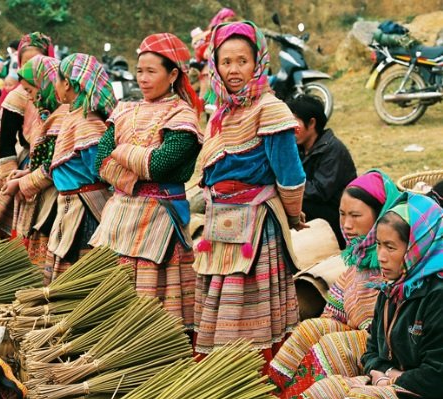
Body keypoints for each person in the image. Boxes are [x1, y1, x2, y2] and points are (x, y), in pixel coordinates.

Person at [193, 22, 306, 366]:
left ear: (258, 62)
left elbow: (291, 176)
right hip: (221, 221)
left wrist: (291, 215)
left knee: (248, 302)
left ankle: (250, 371)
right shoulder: (224, 112)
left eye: (242, 61)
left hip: (257, 225)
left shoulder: (270, 110)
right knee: (221, 298)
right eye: (225, 62)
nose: (233, 70)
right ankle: (220, 370)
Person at [302, 192, 443, 399]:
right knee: (325, 390)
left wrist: (388, 379)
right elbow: (371, 350)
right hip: (392, 384)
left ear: (417, 247)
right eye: (378, 245)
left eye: (391, 247)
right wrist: (383, 374)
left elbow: (437, 377)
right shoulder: (392, 288)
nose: (381, 257)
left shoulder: (437, 296)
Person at [90, 32, 202, 322]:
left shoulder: (182, 116)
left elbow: (160, 165)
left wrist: (123, 151)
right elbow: (99, 160)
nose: (143, 78)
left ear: (173, 74)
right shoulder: (125, 109)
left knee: (152, 299)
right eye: (139, 71)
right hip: (118, 216)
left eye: (151, 71)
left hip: (159, 217)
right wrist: (135, 170)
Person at [268, 170, 400, 399]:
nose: (347, 225)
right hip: (363, 341)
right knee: (310, 328)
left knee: (333, 346)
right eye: (342, 214)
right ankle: (274, 396)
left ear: (380, 215)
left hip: (385, 354)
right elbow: (334, 312)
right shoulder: (357, 261)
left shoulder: (394, 259)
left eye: (356, 215)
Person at [0, 32, 54, 235]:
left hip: (51, 163)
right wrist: (11, 176)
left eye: (37, 61)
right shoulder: (17, 97)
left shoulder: (58, 93)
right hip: (22, 160)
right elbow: (6, 141)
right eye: (26, 63)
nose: (31, 68)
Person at [41, 53, 116, 280]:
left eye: (57, 79)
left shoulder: (86, 122)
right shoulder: (75, 116)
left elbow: (98, 168)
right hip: (72, 204)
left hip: (85, 210)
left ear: (67, 83)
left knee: (82, 275)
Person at [2, 55, 67, 274]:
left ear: (46, 84)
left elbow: (54, 165)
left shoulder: (63, 118)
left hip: (58, 202)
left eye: (31, 91)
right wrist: (25, 173)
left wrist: (23, 183)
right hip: (43, 194)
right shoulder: (49, 115)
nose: (30, 98)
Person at [288, 95, 357, 248]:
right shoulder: (297, 147)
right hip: (315, 209)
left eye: (293, 122)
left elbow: (318, 192)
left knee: (293, 203)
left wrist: (287, 187)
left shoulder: (333, 150)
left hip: (337, 216)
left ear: (312, 123)